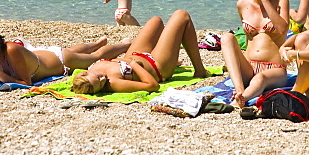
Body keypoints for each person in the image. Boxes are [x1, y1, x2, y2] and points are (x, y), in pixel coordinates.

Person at [70, 10, 210, 94]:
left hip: (137, 54)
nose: (103, 79)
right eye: (100, 85)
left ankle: (171, 54)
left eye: (98, 77)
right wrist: (135, 65)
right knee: (182, 15)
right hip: (157, 65)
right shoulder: (113, 83)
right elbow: (152, 86)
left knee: (156, 21)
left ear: (85, 72)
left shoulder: (92, 68)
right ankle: (200, 70)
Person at [0, 26, 129, 91]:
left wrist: (2, 76)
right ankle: (96, 42)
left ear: (0, 44)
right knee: (74, 50)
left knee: (95, 57)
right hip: (42, 54)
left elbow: (26, 83)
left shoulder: (11, 50)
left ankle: (125, 45)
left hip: (60, 60)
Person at [220, 0, 290, 107]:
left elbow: (282, 29)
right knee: (227, 38)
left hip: (274, 68)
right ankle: (239, 89)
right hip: (249, 67)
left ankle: (240, 100)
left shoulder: (280, 0)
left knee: (260, 79)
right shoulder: (242, 4)